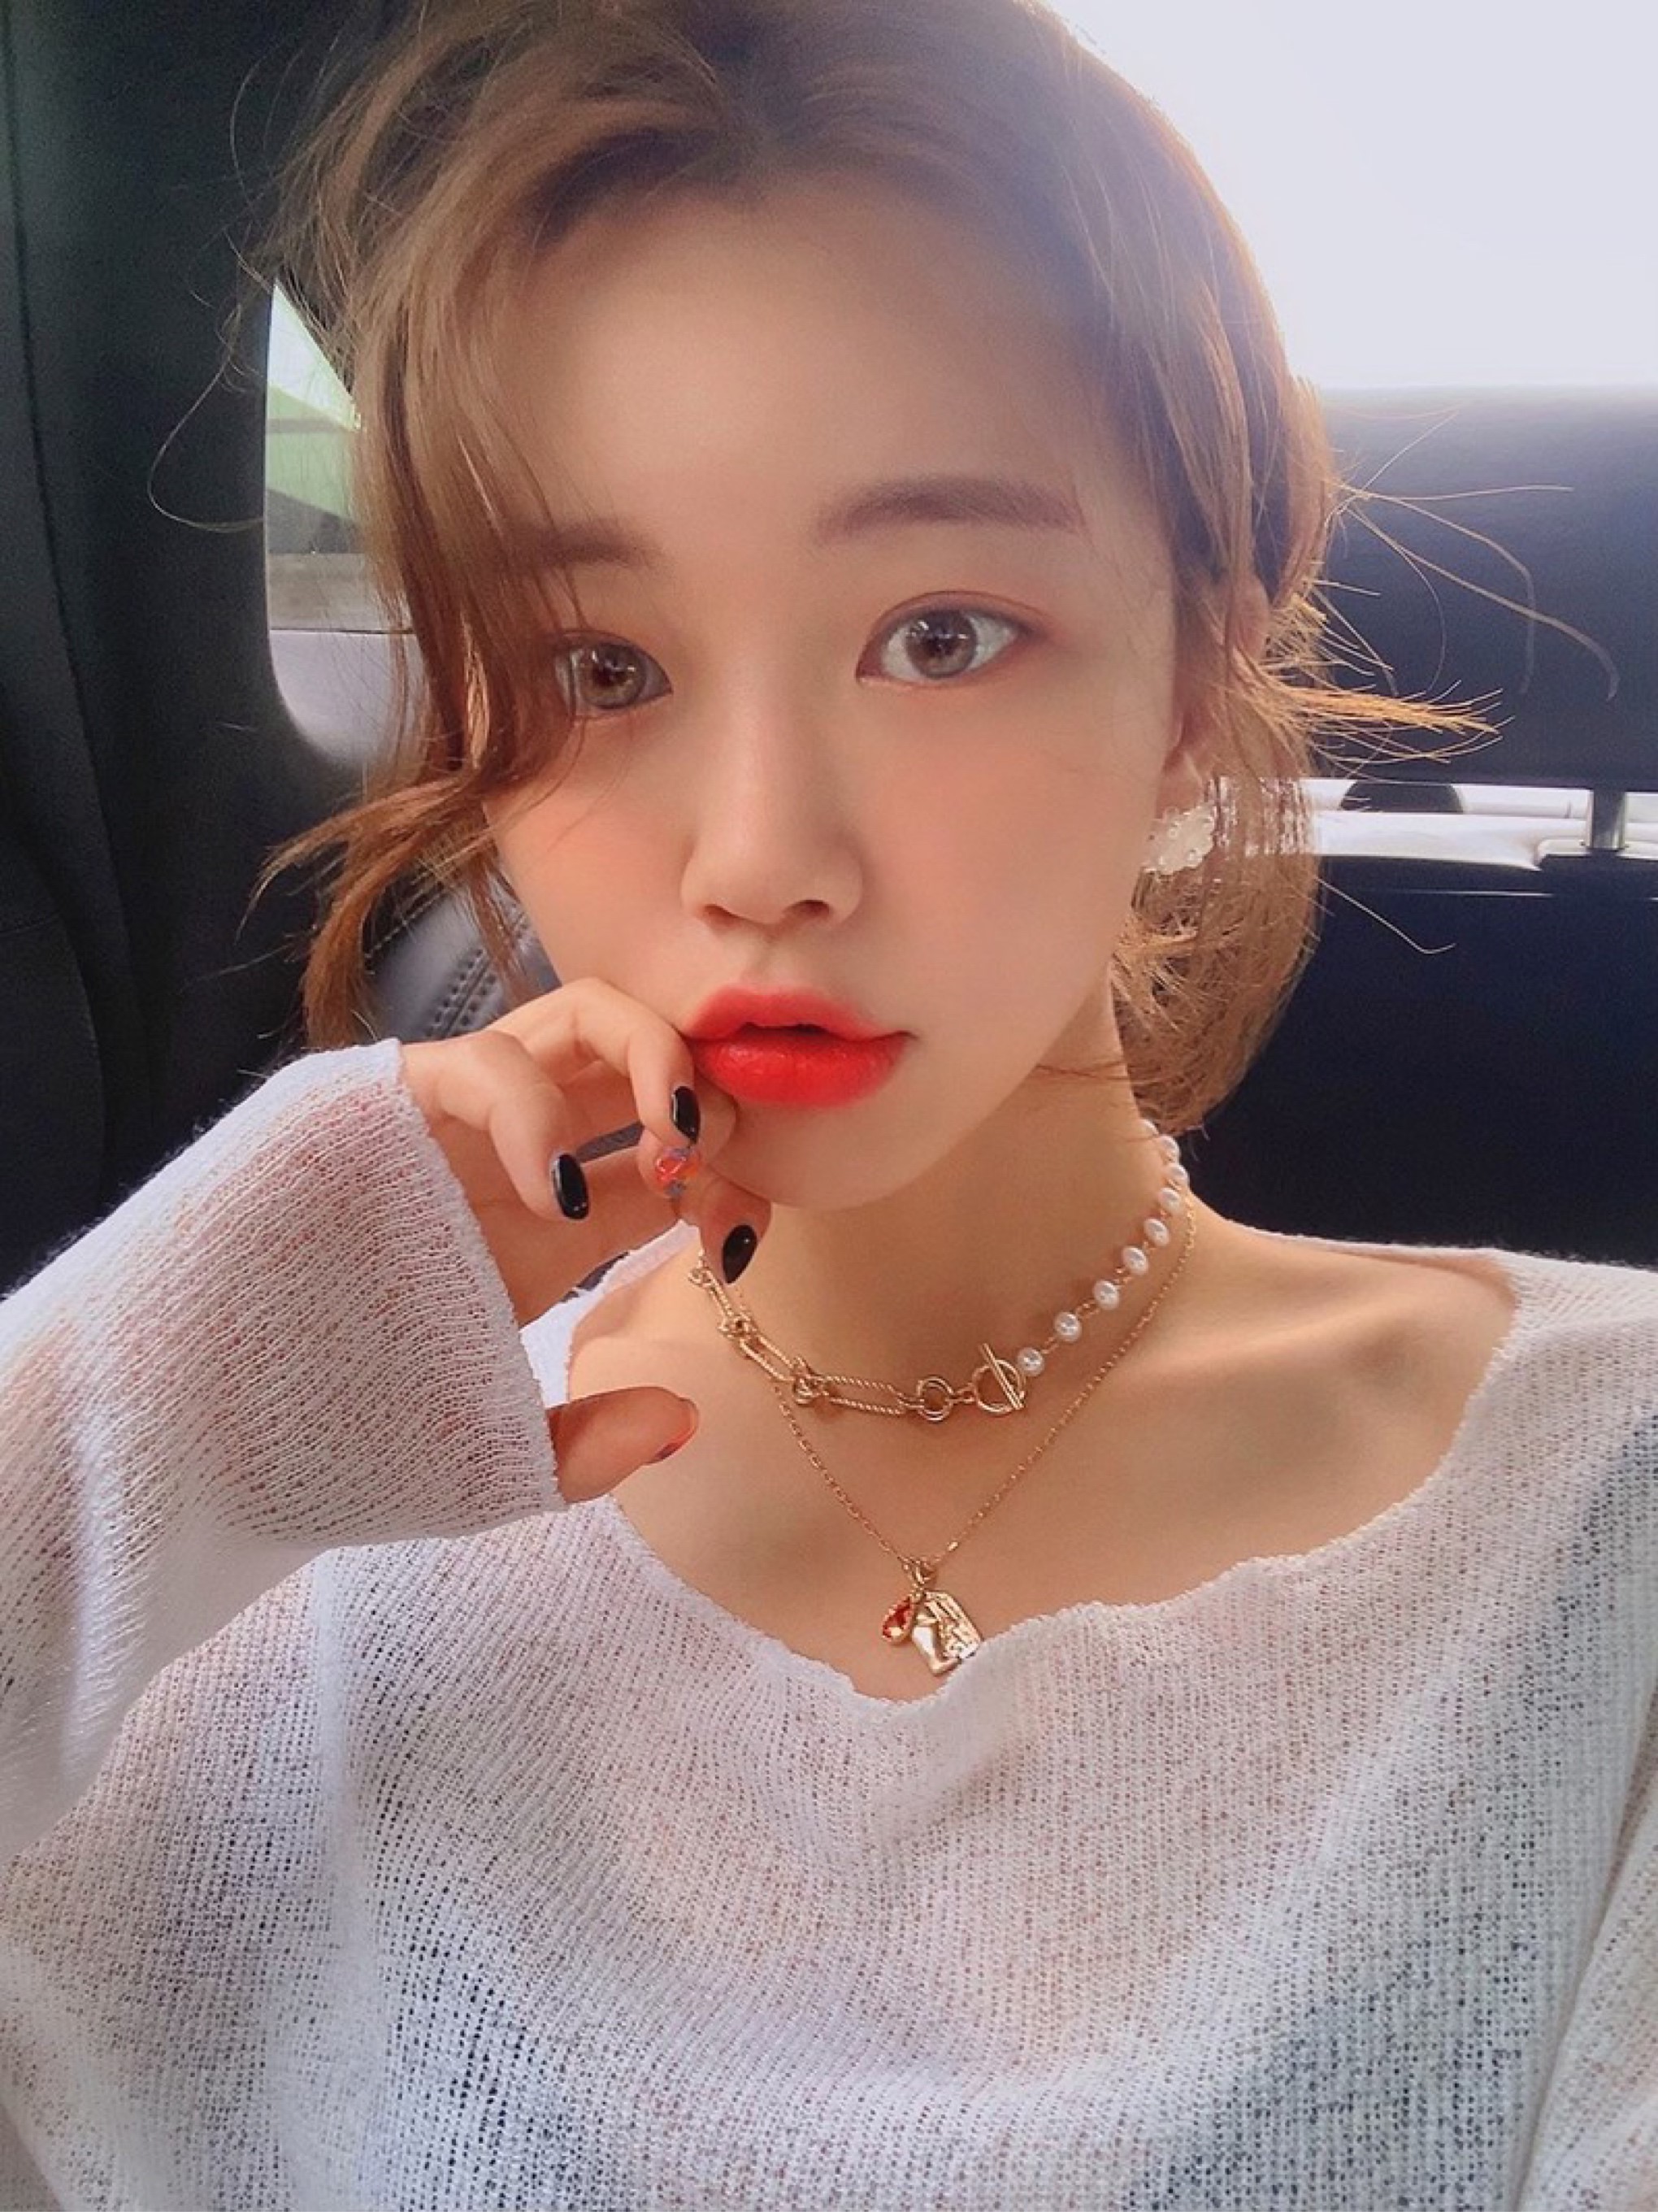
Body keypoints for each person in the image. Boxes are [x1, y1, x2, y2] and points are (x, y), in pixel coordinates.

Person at [1, 0, 1652, 2203]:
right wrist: (138, 1402)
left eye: (942, 634)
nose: (761, 855)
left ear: (1198, 657)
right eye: (601, 668)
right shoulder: (251, 1569)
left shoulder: (1605, 1523)